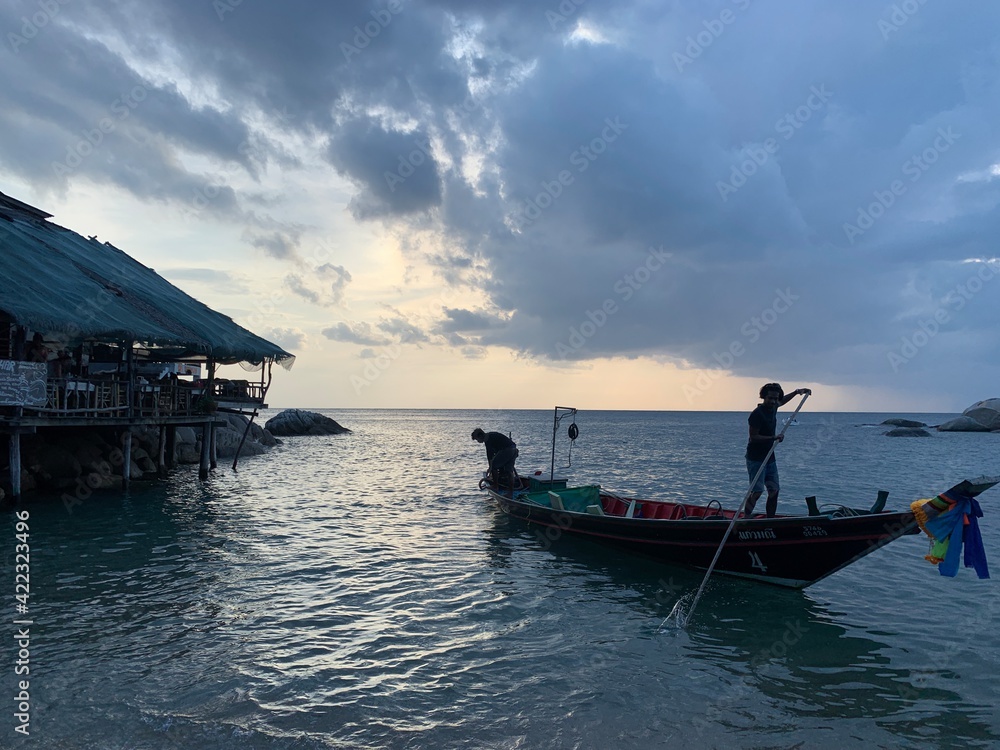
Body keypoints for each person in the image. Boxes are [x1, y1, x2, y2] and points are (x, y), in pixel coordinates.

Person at [744, 382, 812, 518]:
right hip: (756, 458)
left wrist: (797, 392)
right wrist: (773, 437)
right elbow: (753, 437)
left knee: (774, 490)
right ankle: (745, 517)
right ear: (764, 397)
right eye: (770, 398)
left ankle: (770, 520)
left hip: (770, 457)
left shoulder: (774, 407)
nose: (773, 401)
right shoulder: (757, 414)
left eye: (775, 398)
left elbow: (783, 401)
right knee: (757, 492)